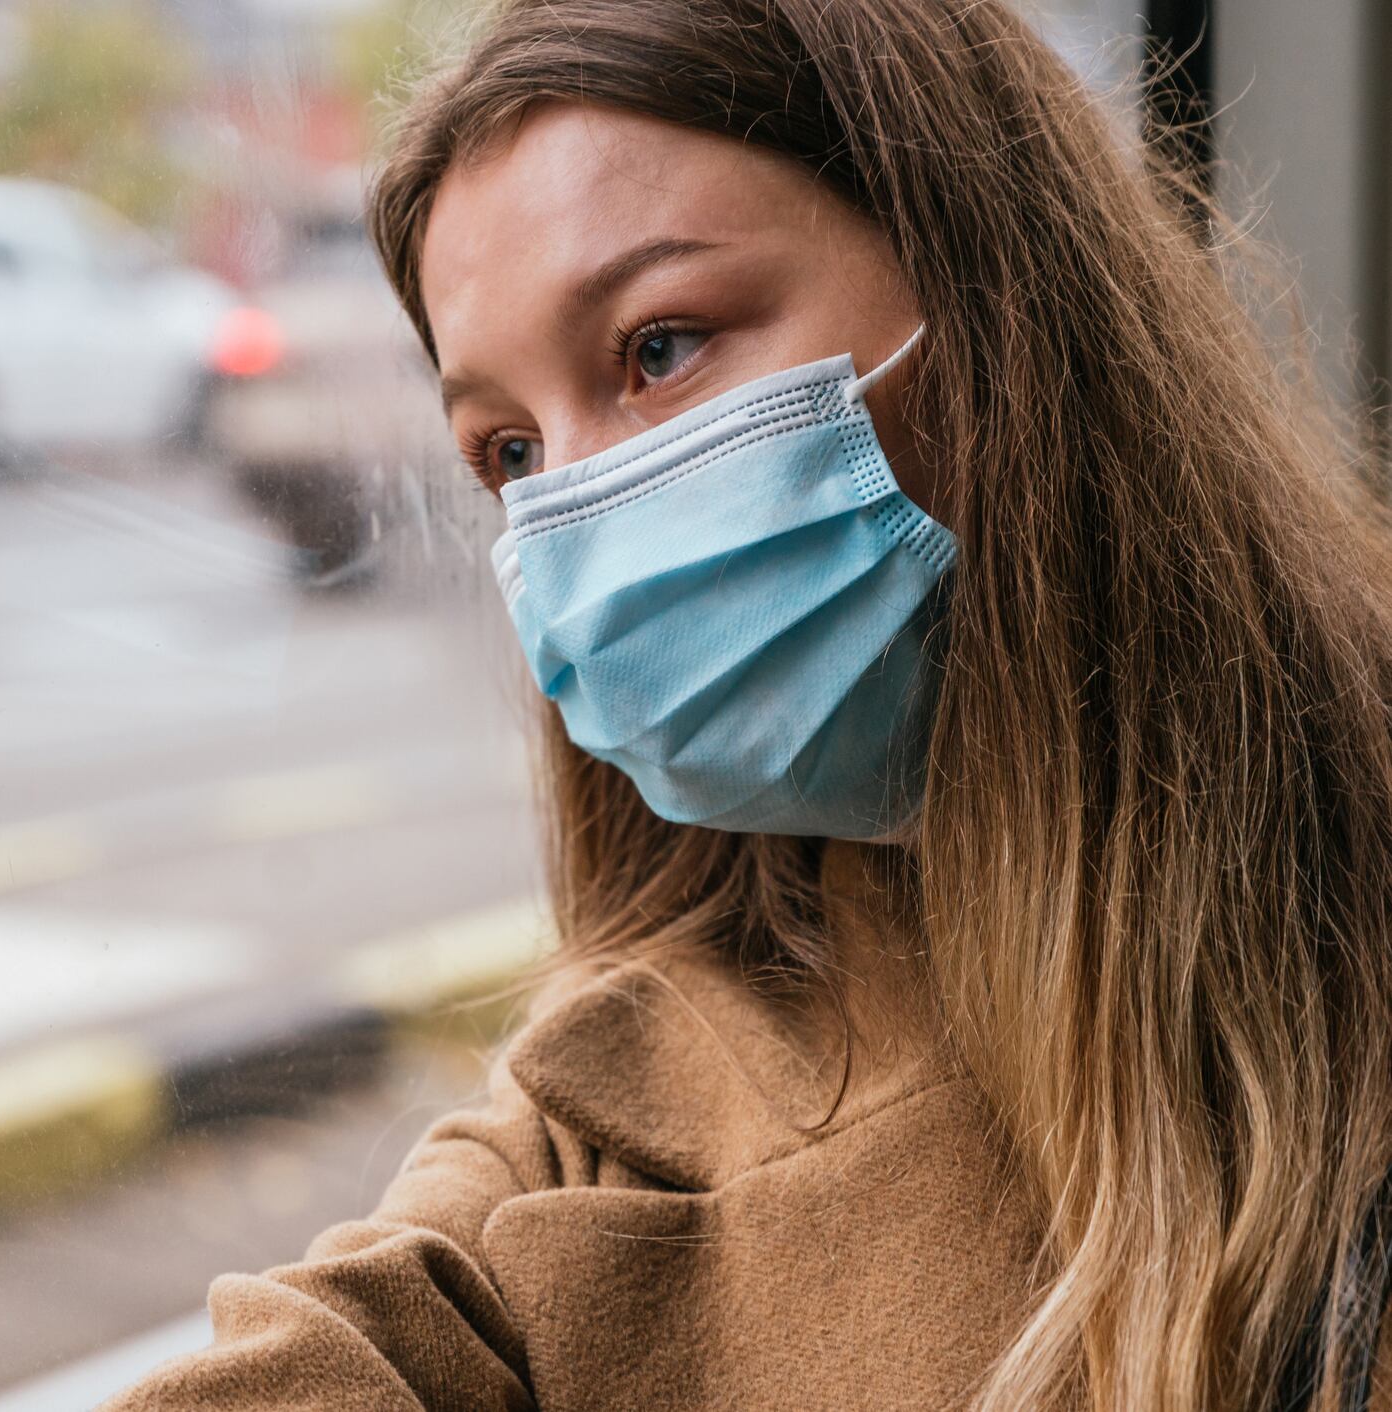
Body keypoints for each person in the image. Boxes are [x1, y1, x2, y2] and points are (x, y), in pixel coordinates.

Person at [105, 1, 1392, 1408]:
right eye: (510, 450)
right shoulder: (616, 1112)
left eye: (658, 348)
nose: (583, 517)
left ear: (995, 294)